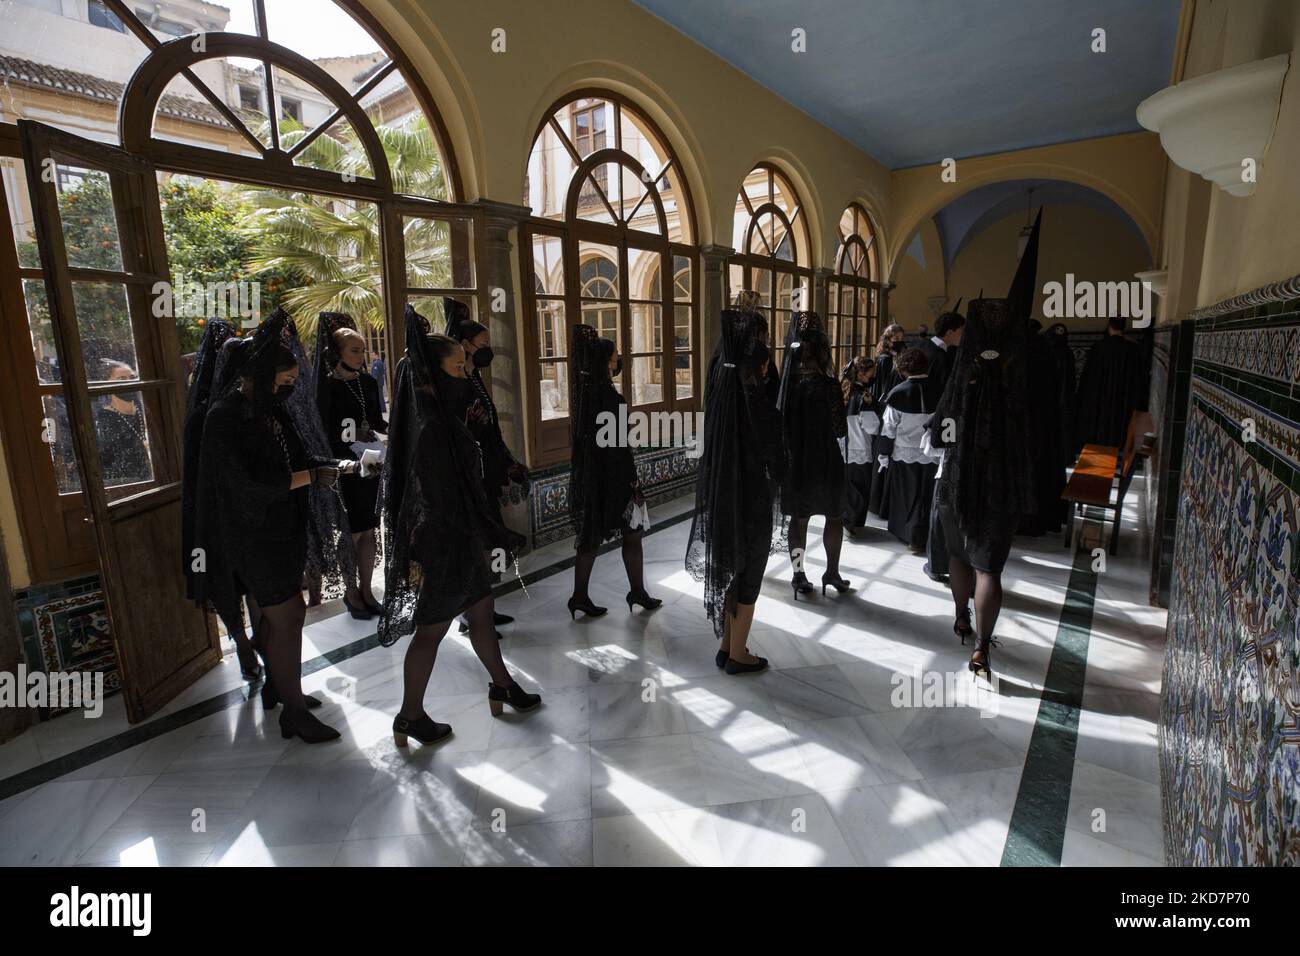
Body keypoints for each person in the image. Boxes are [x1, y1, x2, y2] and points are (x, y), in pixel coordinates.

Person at [377, 306, 540, 744]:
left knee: (482, 616)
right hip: (445, 547)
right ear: (433, 375)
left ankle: (502, 685)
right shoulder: (429, 431)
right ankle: (410, 714)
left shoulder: (445, 421)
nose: (465, 374)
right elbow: (432, 502)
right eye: (457, 367)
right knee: (432, 631)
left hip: (463, 541)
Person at [192, 309, 355, 743]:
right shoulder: (225, 416)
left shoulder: (269, 410)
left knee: (284, 617)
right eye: (285, 381)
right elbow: (245, 488)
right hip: (253, 535)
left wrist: (327, 466)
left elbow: (293, 459)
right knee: (289, 616)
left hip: (281, 530)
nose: (291, 389)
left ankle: (286, 691)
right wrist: (309, 478)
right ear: (260, 376)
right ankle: (295, 712)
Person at [931, 210, 1041, 679]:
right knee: (988, 569)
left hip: (957, 485)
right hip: (1000, 489)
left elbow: (940, 431)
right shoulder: (1020, 378)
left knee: (957, 556)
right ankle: (981, 646)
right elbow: (1035, 435)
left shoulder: (962, 377)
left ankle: (959, 616)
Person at [686, 309, 785, 675]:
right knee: (749, 574)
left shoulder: (719, 393)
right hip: (751, 497)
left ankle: (727, 645)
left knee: (730, 566)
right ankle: (739, 654)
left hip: (721, 494)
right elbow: (778, 461)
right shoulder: (757, 406)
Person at [444, 298, 531, 636]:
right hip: (471, 479)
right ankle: (470, 615)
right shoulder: (458, 385)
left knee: (491, 546)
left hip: (487, 474)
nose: (487, 351)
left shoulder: (475, 378)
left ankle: (485, 608)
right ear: (465, 346)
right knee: (479, 547)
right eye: (482, 345)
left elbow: (490, 430)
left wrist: (507, 462)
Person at [181, 321, 260, 682]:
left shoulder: (246, 408)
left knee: (252, 583)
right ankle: (244, 644)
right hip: (220, 514)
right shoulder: (209, 414)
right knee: (228, 582)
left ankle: (254, 645)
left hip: (229, 512)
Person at [567, 324, 661, 618]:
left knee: (591, 536)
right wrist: (633, 481)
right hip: (614, 476)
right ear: (607, 362)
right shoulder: (609, 397)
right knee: (632, 534)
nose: (619, 359)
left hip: (593, 476)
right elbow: (618, 446)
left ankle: (579, 596)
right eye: (616, 355)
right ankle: (637, 591)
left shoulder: (586, 393)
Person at [312, 313, 386, 618]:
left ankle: (367, 590)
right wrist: (351, 434)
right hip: (343, 465)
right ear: (337, 352)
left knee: (369, 528)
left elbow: (377, 419)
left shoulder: (368, 382)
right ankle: (350, 592)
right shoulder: (326, 387)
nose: (361, 355)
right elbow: (322, 430)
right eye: (354, 349)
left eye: (363, 349)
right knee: (351, 530)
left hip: (369, 460)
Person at [778, 312, 849, 597]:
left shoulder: (786, 387)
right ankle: (831, 572)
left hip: (796, 461)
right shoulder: (829, 386)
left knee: (799, 519)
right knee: (834, 516)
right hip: (826, 459)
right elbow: (840, 428)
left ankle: (798, 574)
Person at [877, 348, 941, 554]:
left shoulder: (897, 393)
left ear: (903, 370)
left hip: (904, 452)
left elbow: (888, 428)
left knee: (907, 494)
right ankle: (925, 535)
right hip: (931, 451)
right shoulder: (940, 389)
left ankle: (910, 535)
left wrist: (883, 453)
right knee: (927, 494)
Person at [919, 304, 966, 581]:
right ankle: (940, 563)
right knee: (943, 504)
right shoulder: (939, 355)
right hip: (939, 423)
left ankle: (942, 561)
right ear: (950, 331)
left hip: (940, 424)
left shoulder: (938, 351)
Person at [1019, 319, 1068, 535]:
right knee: (1044, 470)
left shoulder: (1021, 357)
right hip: (1046, 422)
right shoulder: (1047, 354)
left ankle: (1026, 520)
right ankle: (1046, 517)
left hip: (1025, 424)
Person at [1074, 316, 1147, 452]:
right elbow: (1138, 379)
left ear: (1109, 327)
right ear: (1123, 328)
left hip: (1100, 398)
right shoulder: (1132, 350)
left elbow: (1088, 377)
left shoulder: (1098, 348)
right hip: (1123, 398)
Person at [839, 355, 880, 536]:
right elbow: (871, 426)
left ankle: (845, 519)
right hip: (860, 447)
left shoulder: (842, 392)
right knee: (860, 486)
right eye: (871, 374)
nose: (872, 378)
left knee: (847, 486)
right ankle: (850, 522)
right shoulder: (864, 397)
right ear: (862, 375)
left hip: (843, 447)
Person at [95, 360, 152, 487]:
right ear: (106, 384)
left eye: (132, 377)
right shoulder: (102, 420)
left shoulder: (144, 411)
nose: (129, 382)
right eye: (121, 378)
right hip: (126, 485)